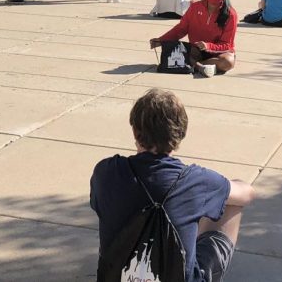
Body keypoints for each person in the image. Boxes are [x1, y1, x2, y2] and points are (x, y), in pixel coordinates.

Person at [90, 89, 256, 282]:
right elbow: (248, 194)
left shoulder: (106, 172)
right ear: (180, 134)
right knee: (228, 202)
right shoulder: (197, 180)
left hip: (117, 275)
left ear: (135, 131)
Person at [150, 0, 238, 77]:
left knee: (227, 62)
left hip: (218, 53)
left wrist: (208, 46)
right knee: (179, 51)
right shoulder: (195, 7)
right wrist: (161, 40)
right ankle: (201, 66)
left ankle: (196, 65)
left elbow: (227, 44)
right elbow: (181, 29)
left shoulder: (231, 14)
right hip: (196, 50)